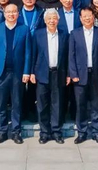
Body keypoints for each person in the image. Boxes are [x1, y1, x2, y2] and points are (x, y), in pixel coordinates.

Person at [0, 4, 31, 144]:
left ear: (18, 14)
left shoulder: (24, 29)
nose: (11, 14)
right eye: (8, 12)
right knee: (1, 105)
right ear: (4, 13)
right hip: (1, 73)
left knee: (16, 104)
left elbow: (28, 53)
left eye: (14, 12)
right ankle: (2, 132)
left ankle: (16, 132)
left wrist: (26, 71)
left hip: (17, 73)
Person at [69, 6, 98, 144]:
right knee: (80, 105)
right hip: (80, 75)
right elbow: (71, 56)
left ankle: (96, 133)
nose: (87, 18)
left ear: (94, 17)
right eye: (84, 16)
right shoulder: (74, 33)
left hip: (96, 74)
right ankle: (82, 132)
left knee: (95, 104)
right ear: (80, 18)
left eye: (89, 16)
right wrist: (73, 73)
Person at [31, 8, 69, 144]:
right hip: (42, 73)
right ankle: (44, 132)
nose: (52, 21)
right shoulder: (38, 34)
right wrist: (32, 72)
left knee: (57, 104)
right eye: (49, 19)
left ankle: (56, 131)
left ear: (58, 20)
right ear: (45, 20)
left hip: (58, 73)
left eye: (54, 18)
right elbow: (33, 54)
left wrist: (68, 74)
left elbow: (67, 56)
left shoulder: (64, 34)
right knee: (42, 104)